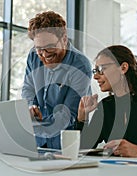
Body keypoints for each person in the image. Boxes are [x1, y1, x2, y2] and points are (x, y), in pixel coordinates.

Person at [22, 11, 92, 149]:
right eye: (39, 49)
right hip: (39, 142)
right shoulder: (33, 56)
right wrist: (31, 106)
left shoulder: (80, 65)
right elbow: (28, 88)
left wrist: (35, 127)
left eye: (49, 47)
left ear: (64, 39)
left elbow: (69, 114)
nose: (44, 54)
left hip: (65, 143)